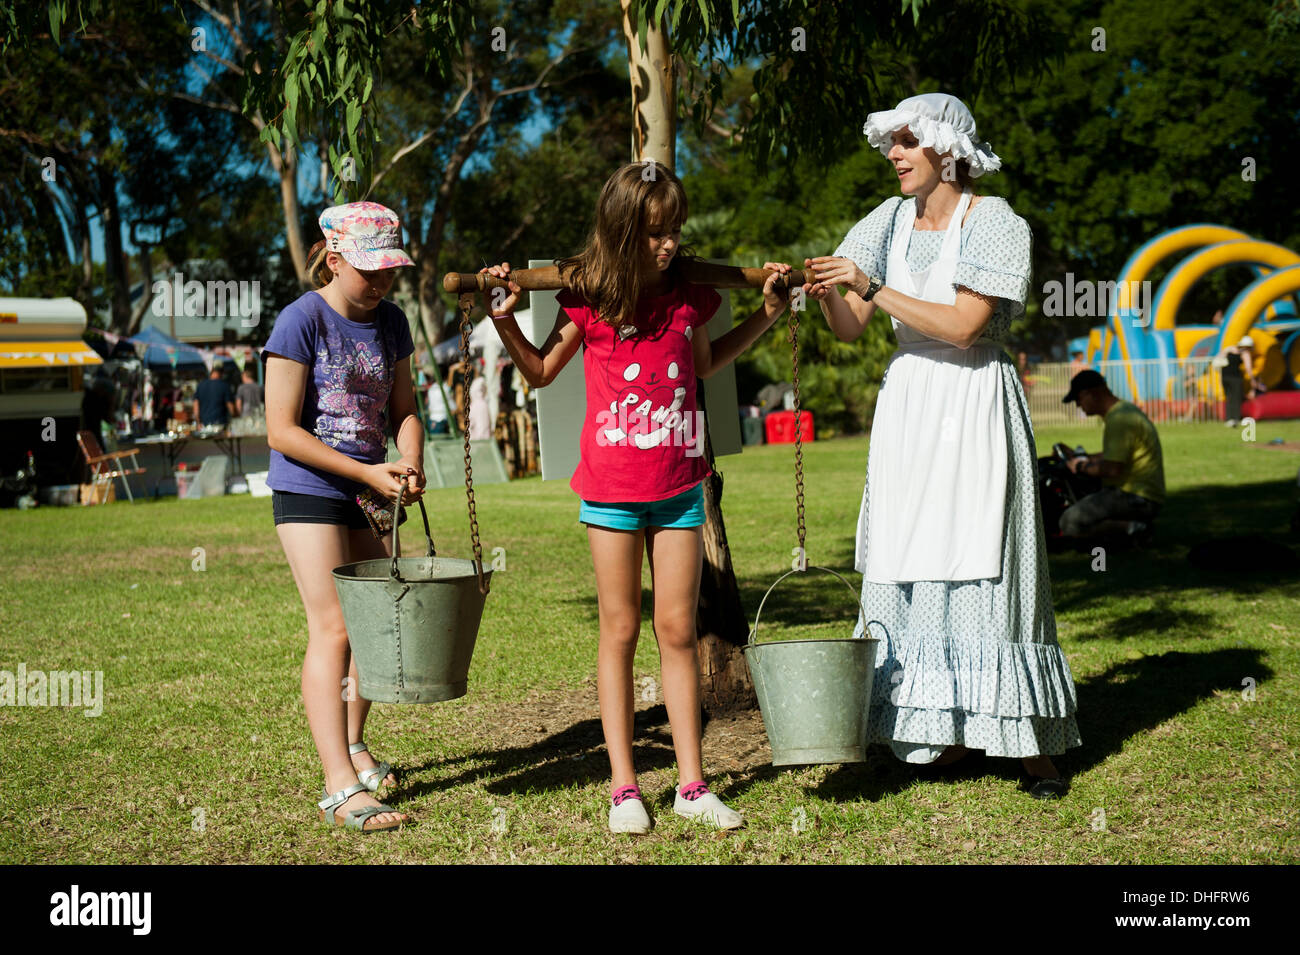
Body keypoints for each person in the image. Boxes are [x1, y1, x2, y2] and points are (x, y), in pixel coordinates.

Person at [482, 161, 789, 833]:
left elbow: (707, 366)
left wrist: (767, 316)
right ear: (622, 231)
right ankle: (624, 788)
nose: (669, 244)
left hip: (681, 486)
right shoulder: (587, 299)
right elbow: (538, 370)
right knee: (619, 629)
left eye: (675, 229)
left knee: (678, 630)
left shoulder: (687, 298)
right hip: (613, 491)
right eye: (654, 233)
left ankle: (691, 782)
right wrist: (503, 319)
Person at [795, 92, 1078, 798]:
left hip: (973, 398)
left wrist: (872, 284)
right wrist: (826, 289)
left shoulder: (998, 222)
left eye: (906, 142)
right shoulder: (886, 220)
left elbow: (963, 326)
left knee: (989, 569)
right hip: (910, 408)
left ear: (947, 149)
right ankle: (944, 729)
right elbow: (851, 326)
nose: (892, 154)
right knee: (910, 560)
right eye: (889, 142)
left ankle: (1029, 746)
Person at [262, 201, 425, 833]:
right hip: (310, 487)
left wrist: (407, 458)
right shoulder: (301, 319)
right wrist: (365, 472)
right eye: (368, 271)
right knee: (332, 627)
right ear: (334, 260)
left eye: (389, 271)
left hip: (372, 486)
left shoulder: (394, 322)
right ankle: (338, 785)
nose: (381, 282)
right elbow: (280, 430)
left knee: (373, 625)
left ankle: (356, 747)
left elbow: (404, 408)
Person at [1058, 370, 1165, 543]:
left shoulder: (1119, 419)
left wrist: (1078, 466)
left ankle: (1134, 528)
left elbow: (1112, 468)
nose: (1078, 405)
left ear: (1090, 394)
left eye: (1078, 399)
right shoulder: (1123, 411)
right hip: (1145, 494)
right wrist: (1084, 456)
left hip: (1136, 497)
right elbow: (1117, 454)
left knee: (1069, 522)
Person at [1219, 336, 1258, 427]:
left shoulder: (1229, 349)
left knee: (1229, 397)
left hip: (1224, 377)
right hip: (1235, 378)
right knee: (1236, 398)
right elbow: (1248, 368)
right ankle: (1235, 418)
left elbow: (1219, 358)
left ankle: (1228, 419)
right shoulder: (1245, 353)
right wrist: (1252, 380)